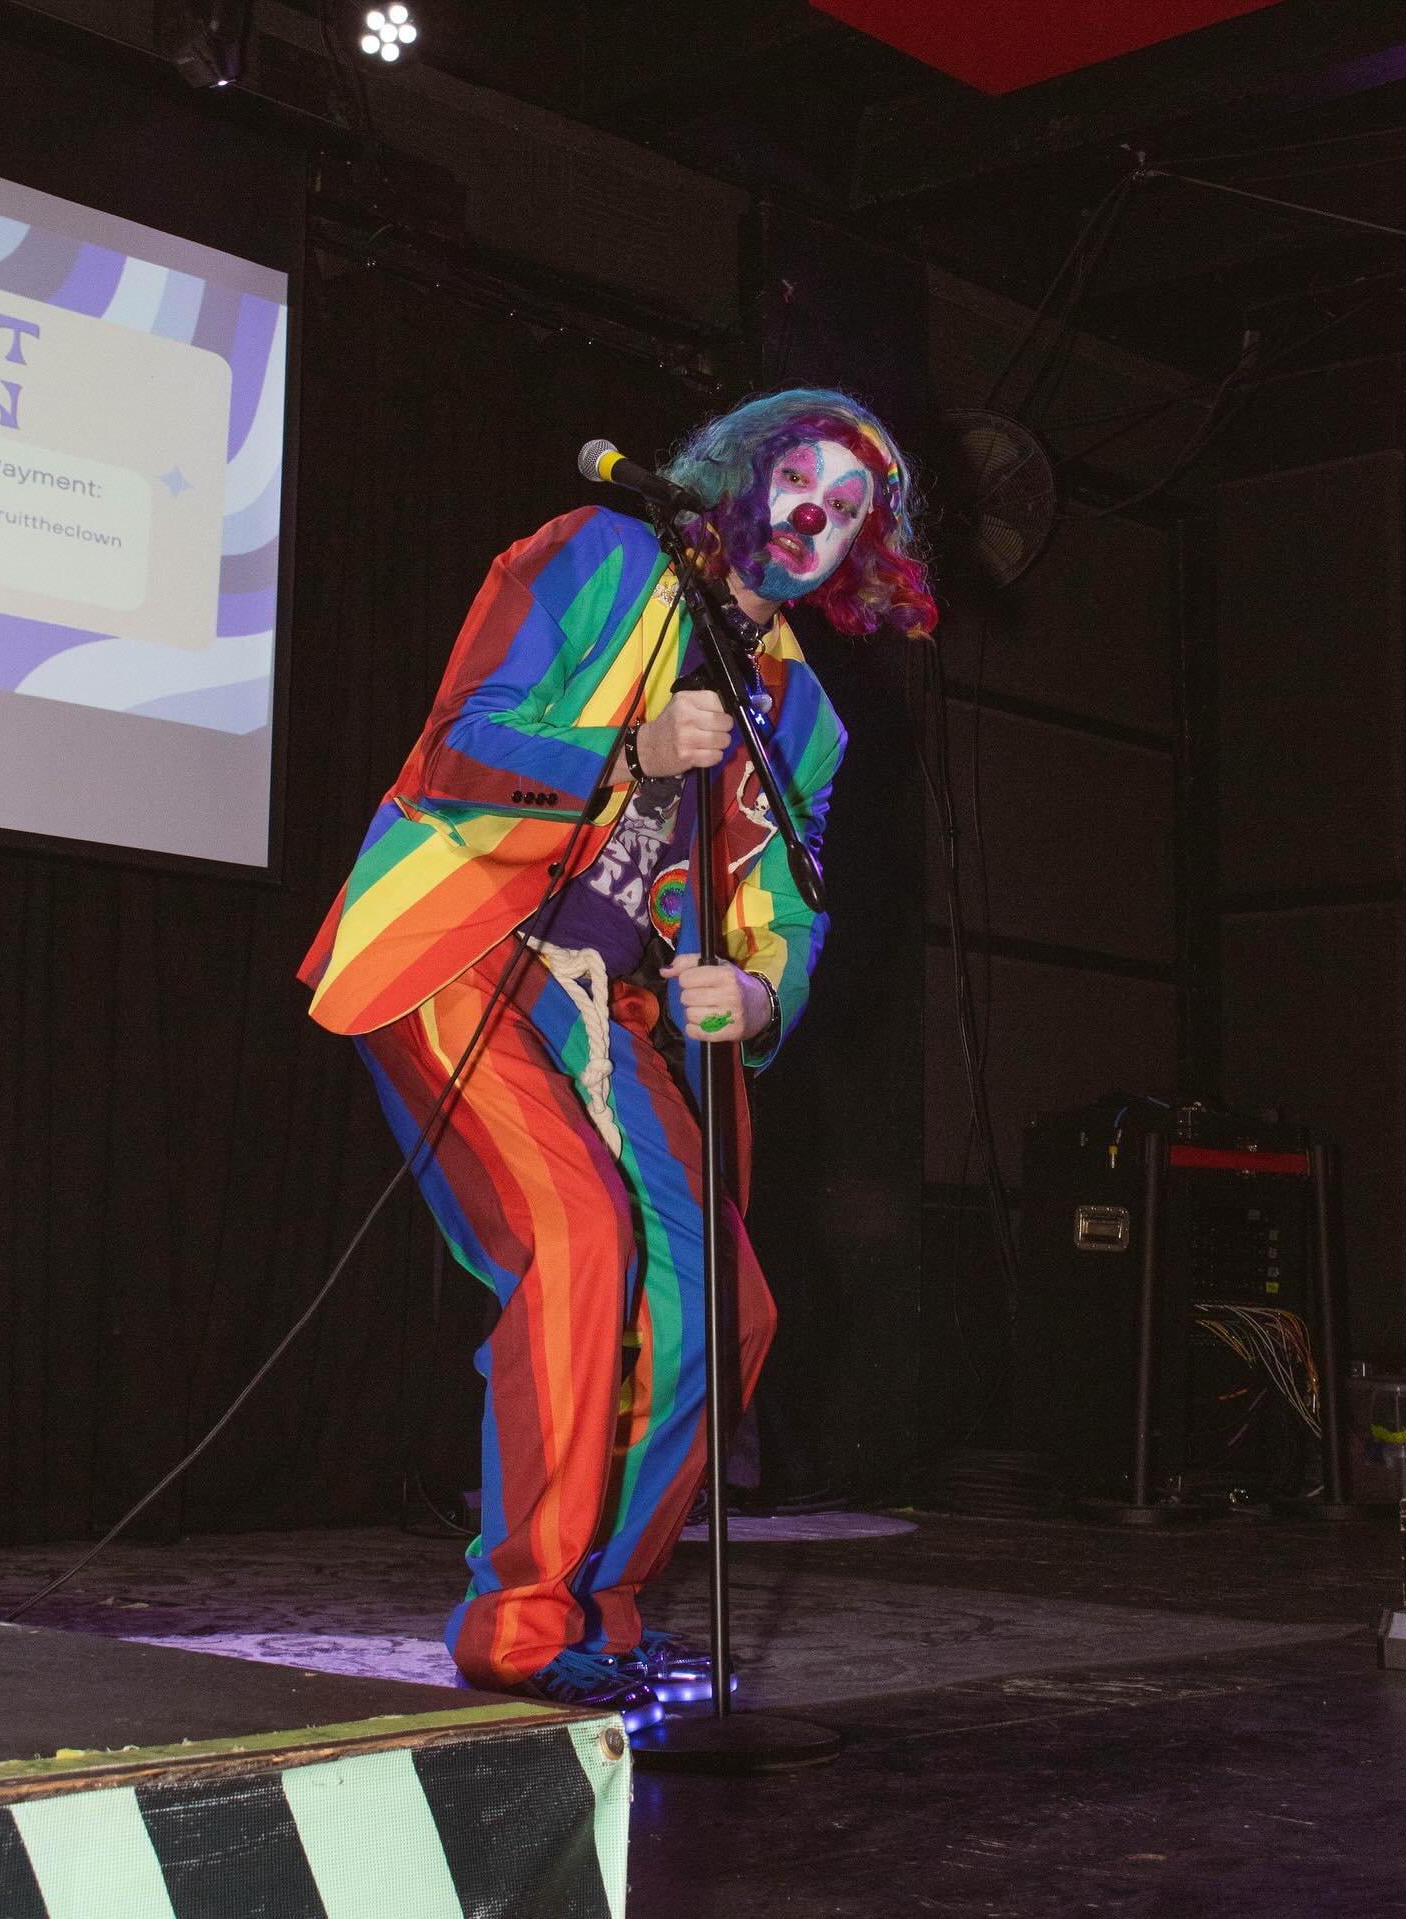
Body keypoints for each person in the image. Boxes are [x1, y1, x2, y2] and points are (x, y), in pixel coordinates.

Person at [298, 387, 936, 1727]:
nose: (816, 513)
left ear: (858, 557)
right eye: (802, 477)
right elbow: (463, 735)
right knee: (580, 1243)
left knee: (726, 1307)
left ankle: (603, 1605)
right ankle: (520, 1619)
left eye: (850, 510)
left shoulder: (804, 716)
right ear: (749, 476)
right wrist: (622, 754)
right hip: (469, 947)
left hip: (605, 1007)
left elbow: (790, 912)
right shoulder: (600, 557)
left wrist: (757, 997)